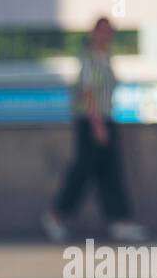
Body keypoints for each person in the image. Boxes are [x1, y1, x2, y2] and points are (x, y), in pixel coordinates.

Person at [42, 17, 148, 243]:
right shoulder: (90, 58)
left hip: (104, 119)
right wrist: (97, 124)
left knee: (110, 172)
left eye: (110, 32)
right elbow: (88, 91)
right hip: (92, 121)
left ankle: (120, 221)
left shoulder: (105, 57)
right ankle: (57, 215)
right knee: (83, 170)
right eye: (103, 31)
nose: (106, 36)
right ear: (94, 33)